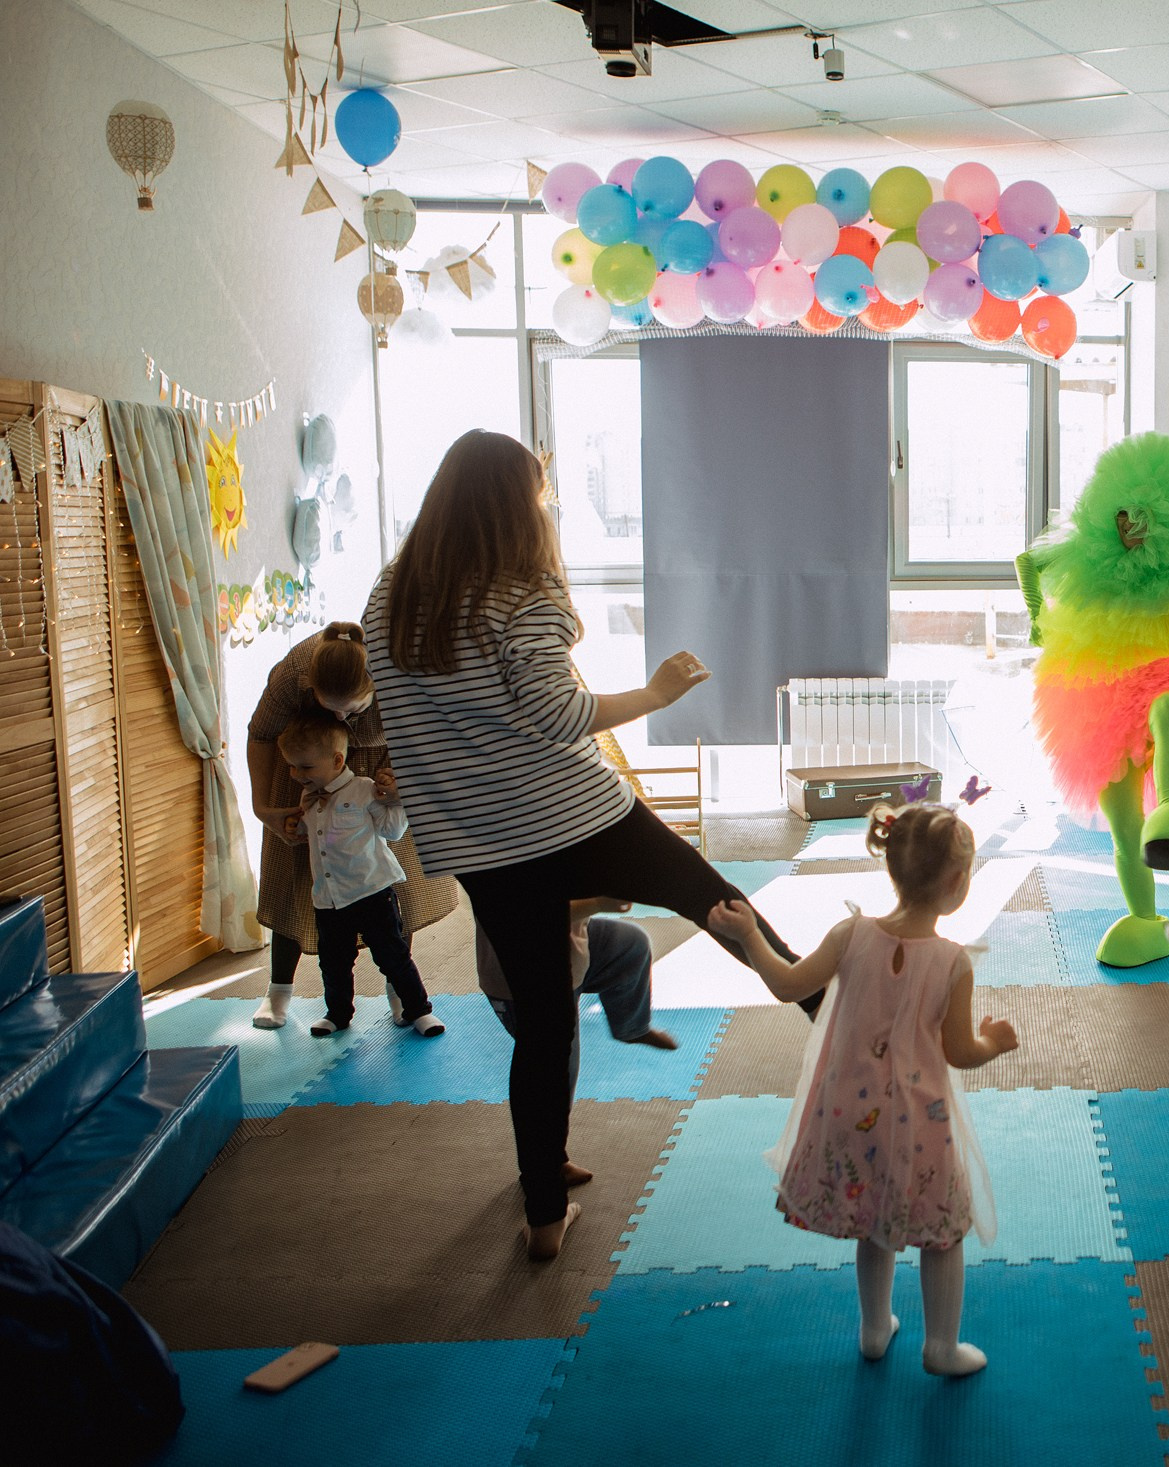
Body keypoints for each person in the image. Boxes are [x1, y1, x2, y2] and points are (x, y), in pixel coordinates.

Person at [362, 429, 802, 1262]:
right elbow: (561, 716)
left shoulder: (391, 597)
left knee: (542, 1019)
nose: (544, 507)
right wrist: (658, 691)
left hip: (482, 843)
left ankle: (541, 1215)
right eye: (536, 494)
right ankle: (842, 1019)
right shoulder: (520, 593)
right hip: (575, 813)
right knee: (723, 905)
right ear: (509, 504)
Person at [715, 803, 1019, 1377]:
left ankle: (875, 1330)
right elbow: (959, 1053)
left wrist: (752, 934)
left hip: (846, 1117)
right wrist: (993, 1042)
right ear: (957, 884)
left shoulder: (850, 934)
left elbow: (785, 985)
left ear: (892, 868)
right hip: (921, 1125)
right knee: (942, 1233)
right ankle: (941, 1347)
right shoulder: (953, 964)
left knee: (873, 1219)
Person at [246, 623, 458, 1030]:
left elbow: (434, 737)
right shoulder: (295, 674)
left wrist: (404, 784)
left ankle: (401, 993)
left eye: (353, 710)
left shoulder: (404, 673)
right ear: (311, 687)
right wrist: (263, 808)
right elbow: (261, 734)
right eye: (331, 709)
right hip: (311, 768)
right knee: (294, 877)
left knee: (394, 885)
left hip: (384, 772)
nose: (342, 718)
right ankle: (277, 991)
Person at [476, 898, 674, 1191]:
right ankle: (546, 1169)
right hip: (523, 980)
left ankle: (631, 1027)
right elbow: (527, 911)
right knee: (552, 1079)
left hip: (570, 950)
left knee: (631, 944)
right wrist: (599, 901)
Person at [276, 714, 442, 1038]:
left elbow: (392, 831)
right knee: (334, 963)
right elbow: (312, 837)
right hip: (329, 897)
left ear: (337, 760)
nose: (297, 775)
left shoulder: (365, 790)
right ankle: (338, 1014)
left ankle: (419, 1010)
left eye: (305, 768)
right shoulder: (310, 799)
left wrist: (400, 799)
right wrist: (296, 827)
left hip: (372, 891)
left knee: (393, 956)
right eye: (292, 767)